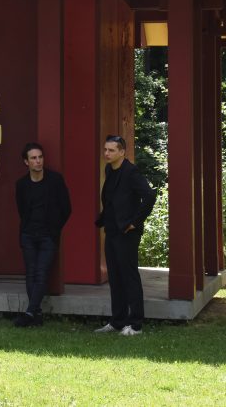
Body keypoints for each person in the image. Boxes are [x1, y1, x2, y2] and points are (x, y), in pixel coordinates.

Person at [94, 134, 156, 336]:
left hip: (127, 232)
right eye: (105, 149)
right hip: (112, 230)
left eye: (111, 150)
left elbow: (149, 196)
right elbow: (112, 198)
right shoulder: (109, 170)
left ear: (122, 152)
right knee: (114, 275)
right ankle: (118, 320)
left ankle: (135, 324)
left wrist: (134, 222)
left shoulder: (131, 172)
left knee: (129, 275)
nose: (107, 153)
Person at [14, 142, 71, 327]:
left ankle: (30, 312)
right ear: (26, 162)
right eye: (33, 158)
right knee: (30, 273)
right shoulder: (21, 184)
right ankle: (35, 314)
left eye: (40, 157)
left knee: (41, 272)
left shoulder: (55, 180)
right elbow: (21, 209)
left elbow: (66, 208)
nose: (38, 161)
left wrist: (54, 229)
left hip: (48, 235)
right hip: (28, 234)